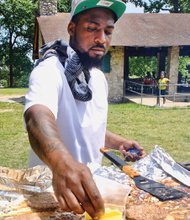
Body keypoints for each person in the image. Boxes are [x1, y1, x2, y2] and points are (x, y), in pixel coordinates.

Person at [24, 0, 146, 219]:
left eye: (108, 31)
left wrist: (118, 143)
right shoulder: (50, 70)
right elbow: (37, 116)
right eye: (91, 28)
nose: (101, 39)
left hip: (89, 193)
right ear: (72, 28)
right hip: (52, 197)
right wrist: (62, 163)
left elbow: (86, 126)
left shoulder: (98, 79)